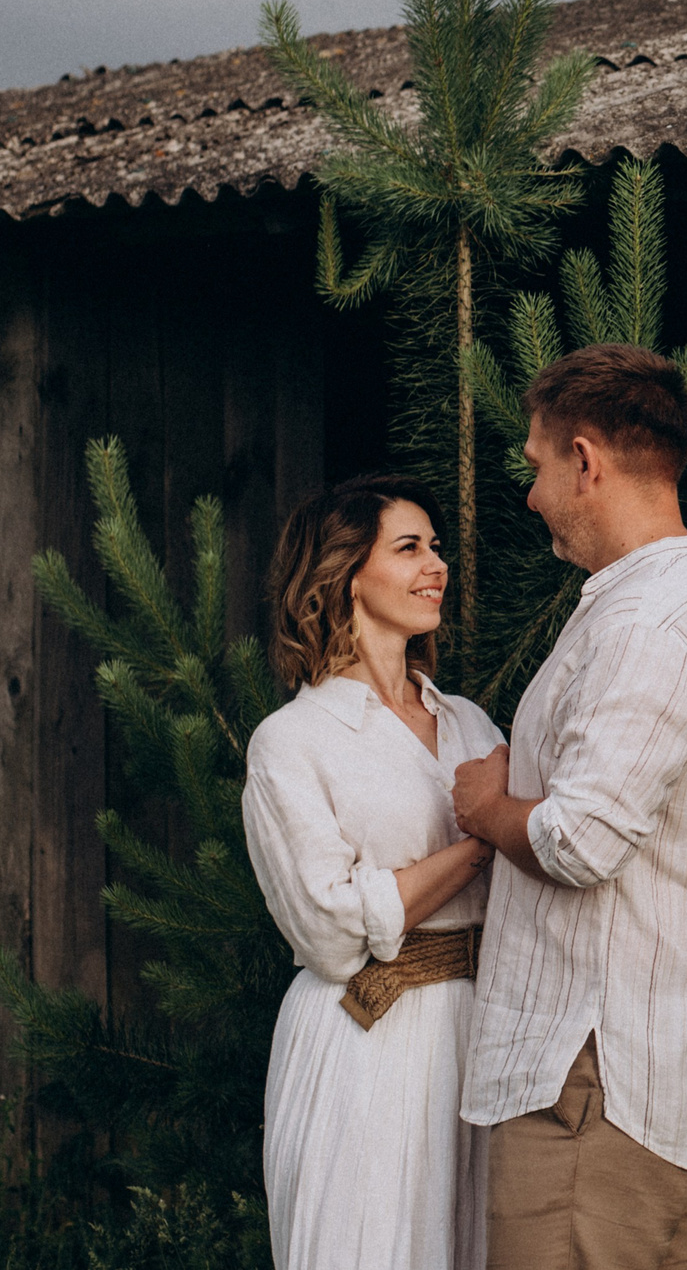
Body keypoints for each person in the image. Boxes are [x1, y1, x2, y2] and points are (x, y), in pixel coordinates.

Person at [450, 343, 687, 1270]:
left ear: (587, 460)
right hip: (637, 1072)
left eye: (539, 466)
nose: (535, 493)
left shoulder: (647, 624)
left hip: (592, 1087)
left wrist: (485, 806)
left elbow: (580, 839)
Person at [244, 475, 504, 1270]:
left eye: (437, 546)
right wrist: (479, 841)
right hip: (365, 1038)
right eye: (410, 547)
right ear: (346, 573)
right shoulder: (293, 741)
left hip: (482, 1034)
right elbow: (329, 928)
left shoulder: (471, 723)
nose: (437, 565)